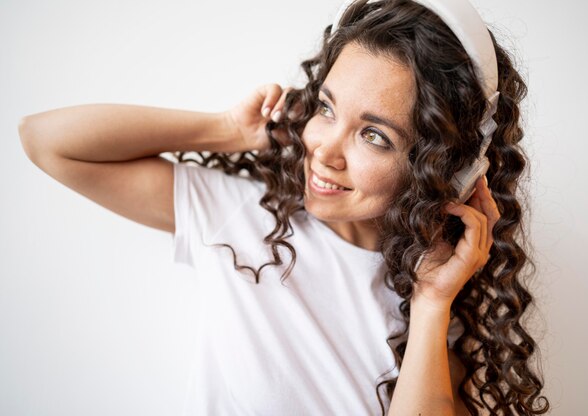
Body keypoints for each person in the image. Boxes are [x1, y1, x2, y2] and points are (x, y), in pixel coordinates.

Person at [18, 0, 550, 414]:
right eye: (326, 108)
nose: (324, 148)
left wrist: (434, 303)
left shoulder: (434, 301)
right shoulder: (239, 218)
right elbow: (46, 140)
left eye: (374, 136)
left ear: (444, 170)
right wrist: (225, 131)